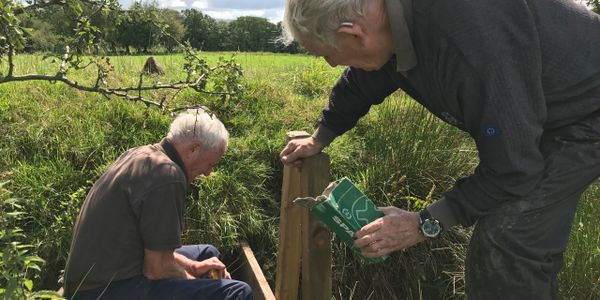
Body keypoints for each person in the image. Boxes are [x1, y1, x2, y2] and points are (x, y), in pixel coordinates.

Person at [279, 0, 600, 298]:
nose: (332, 63)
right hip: (539, 108)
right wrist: (322, 134)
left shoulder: (471, 42)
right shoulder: (393, 21)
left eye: (327, 53)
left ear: (354, 33)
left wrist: (422, 223)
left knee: (508, 239)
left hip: (587, 113)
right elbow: (364, 78)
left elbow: (514, 168)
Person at [63, 109, 252, 300]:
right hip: (102, 291)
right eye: (210, 164)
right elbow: (157, 269)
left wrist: (193, 267)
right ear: (194, 149)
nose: (208, 173)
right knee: (236, 292)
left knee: (207, 254)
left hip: (100, 276)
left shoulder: (141, 155)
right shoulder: (168, 177)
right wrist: (195, 282)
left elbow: (156, 252)